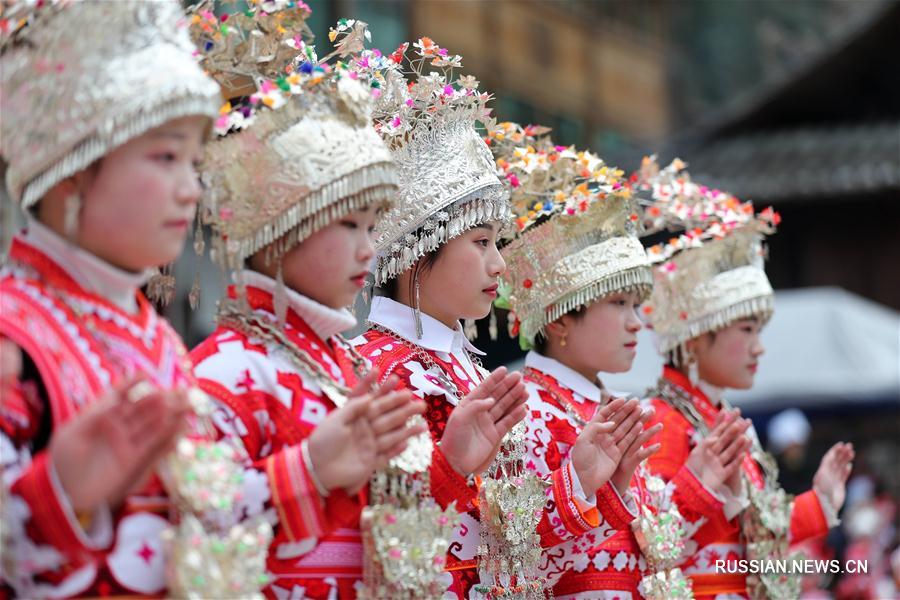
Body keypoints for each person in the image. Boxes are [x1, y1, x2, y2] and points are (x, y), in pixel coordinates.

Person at [0, 1, 271, 596]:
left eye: (194, 163)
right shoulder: (12, 337)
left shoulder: (158, 338)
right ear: (70, 167)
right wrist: (58, 497)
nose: (189, 189)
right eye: (166, 156)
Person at [185, 7, 428, 599]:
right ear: (277, 226)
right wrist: (307, 472)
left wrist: (451, 466)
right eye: (349, 222)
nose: (369, 248)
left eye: (375, 226)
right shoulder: (225, 372)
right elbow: (188, 536)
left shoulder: (352, 370)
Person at [348, 40, 536, 597]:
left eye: (498, 243)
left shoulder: (471, 371)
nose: (498, 263)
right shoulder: (372, 372)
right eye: (480, 242)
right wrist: (449, 467)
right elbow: (374, 537)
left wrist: (583, 484)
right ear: (417, 250)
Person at [491, 122, 701, 599]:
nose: (635, 323)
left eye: (635, 304)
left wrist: (699, 481)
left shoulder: (614, 409)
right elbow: (511, 558)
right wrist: (587, 483)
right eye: (618, 304)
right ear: (560, 320)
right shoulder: (525, 411)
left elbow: (654, 545)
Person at [638, 157, 855, 599]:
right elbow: (651, 547)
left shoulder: (719, 418)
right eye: (747, 330)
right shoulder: (661, 422)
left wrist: (821, 500)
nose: (759, 348)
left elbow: (753, 533)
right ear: (695, 339)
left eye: (760, 331)